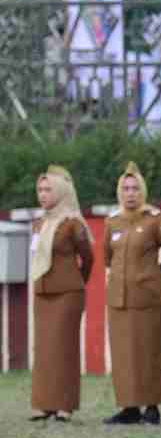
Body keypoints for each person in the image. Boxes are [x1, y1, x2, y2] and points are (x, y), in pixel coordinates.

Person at [103, 162, 161, 425]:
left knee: (148, 351)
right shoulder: (113, 221)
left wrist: (156, 276)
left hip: (147, 297)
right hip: (119, 298)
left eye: (134, 188)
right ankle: (129, 406)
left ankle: (152, 406)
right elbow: (108, 258)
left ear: (142, 191)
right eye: (125, 188)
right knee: (123, 354)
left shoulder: (155, 219)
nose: (130, 193)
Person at [29, 165, 95, 422]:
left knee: (63, 348)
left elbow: (88, 258)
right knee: (44, 349)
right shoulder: (39, 222)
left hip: (67, 293)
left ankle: (64, 405)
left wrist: (78, 283)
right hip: (43, 291)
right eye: (40, 189)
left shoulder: (72, 224)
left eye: (48, 189)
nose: (43, 194)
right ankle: (44, 403)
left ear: (61, 192)